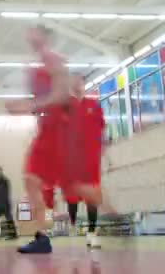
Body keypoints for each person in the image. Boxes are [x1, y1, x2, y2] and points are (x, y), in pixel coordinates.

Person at [6, 26, 108, 254]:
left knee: (71, 185)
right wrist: (26, 106)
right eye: (29, 32)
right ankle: (42, 237)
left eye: (35, 33)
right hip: (46, 130)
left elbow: (60, 96)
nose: (29, 36)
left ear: (45, 37)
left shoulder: (54, 61)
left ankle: (104, 208)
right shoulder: (37, 66)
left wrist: (29, 106)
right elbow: (45, 99)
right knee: (32, 181)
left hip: (58, 132)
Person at [70, 74, 106, 248]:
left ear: (84, 85)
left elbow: (101, 129)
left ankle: (92, 232)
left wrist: (104, 149)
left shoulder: (93, 105)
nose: (77, 86)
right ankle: (73, 224)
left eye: (79, 82)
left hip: (90, 161)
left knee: (92, 198)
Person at [0, 166, 18, 240]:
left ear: (1, 171)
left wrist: (2, 202)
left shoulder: (5, 180)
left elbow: (4, 193)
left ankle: (13, 235)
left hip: (4, 204)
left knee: (9, 219)